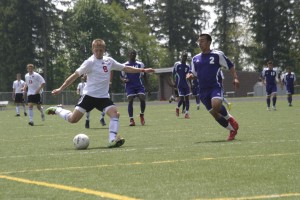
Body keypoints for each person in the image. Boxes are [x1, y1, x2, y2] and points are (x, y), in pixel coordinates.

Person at [45, 39, 155, 148]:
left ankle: (112, 140)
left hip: (103, 97)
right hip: (89, 96)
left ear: (104, 50)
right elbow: (75, 75)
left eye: (101, 50)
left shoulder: (109, 61)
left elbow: (126, 68)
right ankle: (57, 110)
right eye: (96, 50)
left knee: (115, 114)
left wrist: (143, 70)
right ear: (93, 50)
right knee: (73, 119)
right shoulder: (89, 62)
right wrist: (60, 88)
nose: (98, 52)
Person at [187, 33, 240, 141]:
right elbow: (193, 73)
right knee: (214, 114)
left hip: (215, 86)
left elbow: (230, 65)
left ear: (209, 42)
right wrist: (190, 76)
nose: (200, 43)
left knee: (216, 105)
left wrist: (235, 77)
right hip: (202, 90)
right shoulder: (195, 58)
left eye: (202, 41)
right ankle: (232, 130)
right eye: (199, 41)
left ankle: (229, 118)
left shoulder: (217, 55)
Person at [120, 49, 151, 126]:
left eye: (134, 53)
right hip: (129, 85)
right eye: (131, 53)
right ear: (128, 55)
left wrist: (148, 87)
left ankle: (141, 114)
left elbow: (144, 76)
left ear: (136, 55)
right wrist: (124, 80)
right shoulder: (124, 65)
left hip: (138, 85)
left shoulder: (140, 64)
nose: (133, 55)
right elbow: (121, 76)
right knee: (130, 100)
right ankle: (131, 119)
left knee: (142, 97)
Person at [173, 52, 191, 118]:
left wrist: (191, 85)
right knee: (182, 99)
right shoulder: (177, 64)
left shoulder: (188, 66)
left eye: (186, 57)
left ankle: (186, 113)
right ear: (181, 57)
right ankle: (177, 108)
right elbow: (173, 73)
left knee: (187, 99)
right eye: (184, 57)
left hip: (186, 85)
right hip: (179, 84)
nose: (185, 58)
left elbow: (189, 75)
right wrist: (174, 82)